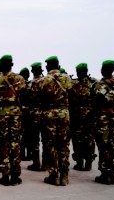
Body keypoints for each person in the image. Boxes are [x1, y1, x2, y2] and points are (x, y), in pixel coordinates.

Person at [34, 56, 72, 186]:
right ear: (59, 65)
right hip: (64, 114)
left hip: (49, 113)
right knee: (63, 144)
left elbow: (36, 97)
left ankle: (54, 175)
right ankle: (65, 176)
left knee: (51, 145)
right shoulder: (67, 79)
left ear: (47, 67)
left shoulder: (43, 81)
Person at [0, 55, 26, 186]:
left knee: (3, 144)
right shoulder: (20, 79)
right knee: (15, 143)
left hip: (1, 115)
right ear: (12, 64)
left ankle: (5, 175)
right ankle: (16, 176)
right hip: (16, 114)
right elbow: (25, 95)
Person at [93, 60, 114, 184]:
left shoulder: (98, 85)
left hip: (103, 117)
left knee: (104, 145)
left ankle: (105, 175)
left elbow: (96, 100)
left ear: (103, 69)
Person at [70, 63, 97, 171]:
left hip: (80, 117)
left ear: (84, 71)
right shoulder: (93, 83)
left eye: (79, 71)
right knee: (85, 140)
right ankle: (84, 162)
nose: (79, 74)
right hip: (85, 117)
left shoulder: (75, 84)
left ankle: (84, 162)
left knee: (81, 140)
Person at [27, 62, 46, 171]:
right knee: (46, 140)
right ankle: (45, 164)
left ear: (32, 71)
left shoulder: (31, 84)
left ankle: (36, 163)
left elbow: (26, 98)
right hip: (45, 113)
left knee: (34, 140)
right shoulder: (47, 82)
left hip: (34, 114)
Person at [19, 67, 32, 161]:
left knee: (22, 134)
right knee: (29, 134)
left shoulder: (19, 85)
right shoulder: (31, 85)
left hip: (21, 111)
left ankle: (22, 154)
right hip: (30, 112)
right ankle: (29, 154)